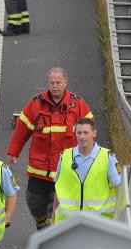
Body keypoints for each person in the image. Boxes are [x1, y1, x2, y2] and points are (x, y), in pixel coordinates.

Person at [5, 67, 94, 230]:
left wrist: (89, 153)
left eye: (58, 82)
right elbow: (22, 128)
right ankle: (42, 224)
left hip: (67, 169)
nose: (55, 86)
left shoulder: (77, 104)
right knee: (34, 202)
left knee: (60, 206)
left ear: (65, 83)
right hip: (40, 168)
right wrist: (13, 151)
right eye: (52, 83)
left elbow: (89, 130)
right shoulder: (36, 103)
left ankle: (53, 233)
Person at [53, 118, 121, 223]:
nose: (82, 137)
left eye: (86, 133)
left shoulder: (107, 157)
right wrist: (53, 219)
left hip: (98, 224)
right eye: (79, 133)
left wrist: (121, 222)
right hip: (67, 224)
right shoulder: (65, 156)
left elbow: (119, 190)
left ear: (94, 133)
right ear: (75, 134)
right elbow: (59, 189)